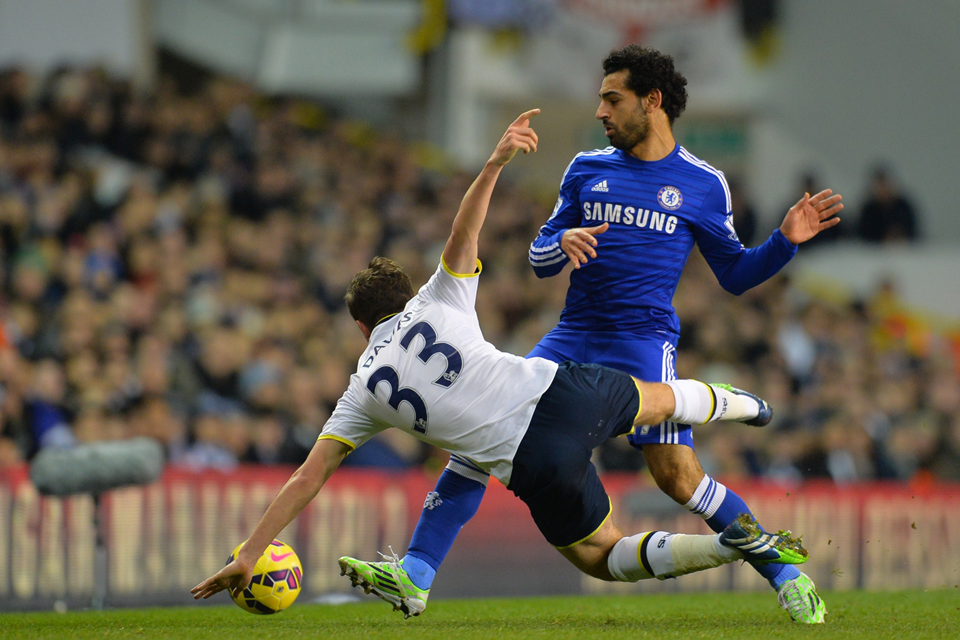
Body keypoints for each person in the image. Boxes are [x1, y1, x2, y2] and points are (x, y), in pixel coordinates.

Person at [190, 111, 809, 618]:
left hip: (531, 460)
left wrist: (250, 551)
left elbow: (307, 477)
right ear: (409, 293)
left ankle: (726, 549)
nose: (602, 109)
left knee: (602, 553)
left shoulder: (361, 391)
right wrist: (494, 164)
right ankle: (745, 405)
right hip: (561, 388)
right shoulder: (439, 296)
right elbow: (468, 233)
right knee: (662, 401)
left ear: (359, 329)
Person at [388, 45, 842, 625]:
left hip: (641, 344)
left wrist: (783, 243)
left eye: (612, 99)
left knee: (678, 478)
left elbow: (734, 274)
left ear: (652, 101)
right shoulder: (585, 168)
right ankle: (415, 575)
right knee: (484, 435)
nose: (601, 111)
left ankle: (785, 576)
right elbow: (538, 257)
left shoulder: (704, 184)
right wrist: (561, 242)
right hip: (572, 336)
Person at [857, 165, 919, 243]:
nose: (883, 189)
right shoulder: (869, 210)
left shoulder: (903, 207)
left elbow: (912, 230)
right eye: (879, 186)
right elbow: (864, 234)